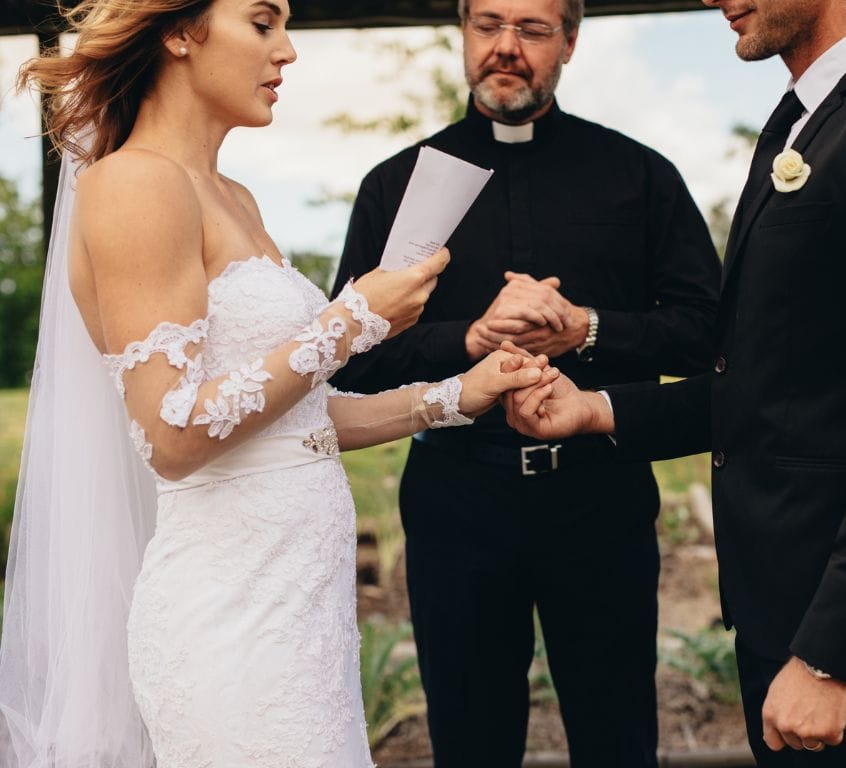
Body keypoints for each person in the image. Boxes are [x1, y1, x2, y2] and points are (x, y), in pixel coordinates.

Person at [0, 1, 550, 766]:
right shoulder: (133, 185)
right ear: (181, 30)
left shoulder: (238, 199)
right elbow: (172, 434)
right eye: (263, 23)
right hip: (228, 621)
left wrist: (461, 393)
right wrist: (354, 320)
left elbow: (300, 427)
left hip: (305, 618)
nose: (287, 51)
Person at [503, 0, 846, 764]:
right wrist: (595, 410)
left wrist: (833, 654)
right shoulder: (799, 123)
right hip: (782, 616)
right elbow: (771, 390)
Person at [330, 0, 720, 764]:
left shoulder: (640, 177)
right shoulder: (396, 184)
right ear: (463, 33)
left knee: (617, 738)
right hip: (456, 504)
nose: (506, 48)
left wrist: (589, 328)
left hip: (600, 498)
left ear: (569, 40)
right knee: (470, 743)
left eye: (534, 30)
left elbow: (709, 333)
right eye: (488, 25)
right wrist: (467, 339)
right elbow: (353, 355)